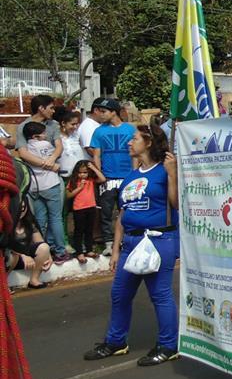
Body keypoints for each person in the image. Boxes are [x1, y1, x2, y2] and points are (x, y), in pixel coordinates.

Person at [83, 122, 180, 365]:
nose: (129, 142)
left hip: (158, 240)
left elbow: (176, 204)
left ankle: (169, 345)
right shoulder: (131, 177)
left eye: (134, 138)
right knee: (119, 294)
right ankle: (116, 342)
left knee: (160, 295)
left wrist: (173, 174)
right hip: (131, 242)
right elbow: (122, 216)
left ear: (148, 142)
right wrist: (115, 250)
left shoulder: (165, 170)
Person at [88, 97, 135, 250]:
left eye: (104, 111)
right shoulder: (99, 131)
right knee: (106, 212)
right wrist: (100, 175)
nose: (100, 114)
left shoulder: (130, 129)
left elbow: (135, 153)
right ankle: (108, 242)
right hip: (108, 177)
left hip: (127, 177)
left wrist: (134, 174)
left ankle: (129, 239)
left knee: (128, 210)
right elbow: (96, 154)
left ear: (114, 112)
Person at [21, 121, 70, 263]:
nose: (45, 135)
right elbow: (55, 158)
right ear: (36, 135)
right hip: (51, 184)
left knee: (40, 220)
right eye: (43, 133)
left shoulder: (26, 148)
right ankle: (60, 251)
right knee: (56, 218)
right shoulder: (46, 145)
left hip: (35, 187)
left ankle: (42, 250)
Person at [5, 201, 53, 289]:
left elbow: (39, 241)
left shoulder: (29, 222)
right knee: (13, 255)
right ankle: (3, 284)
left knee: (44, 247)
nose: (21, 210)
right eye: (19, 208)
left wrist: (48, 256)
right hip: (10, 259)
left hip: (28, 259)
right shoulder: (6, 223)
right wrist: (23, 255)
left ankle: (34, 280)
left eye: (23, 208)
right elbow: (6, 244)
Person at [65, 160, 105, 264]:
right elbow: (68, 195)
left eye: (85, 172)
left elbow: (102, 179)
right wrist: (79, 188)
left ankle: (89, 250)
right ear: (76, 172)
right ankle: (79, 252)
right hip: (79, 208)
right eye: (80, 172)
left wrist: (93, 168)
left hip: (91, 207)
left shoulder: (91, 180)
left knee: (89, 230)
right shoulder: (73, 181)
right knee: (79, 231)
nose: (82, 175)